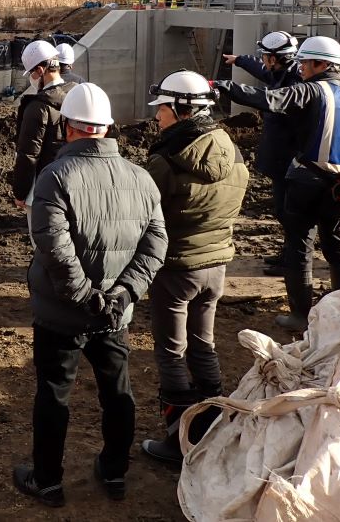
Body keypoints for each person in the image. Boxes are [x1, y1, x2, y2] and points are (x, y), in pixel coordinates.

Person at [13, 82, 167, 508]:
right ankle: (114, 471)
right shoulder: (141, 178)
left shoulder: (55, 176)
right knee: (117, 392)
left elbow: (53, 244)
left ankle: (47, 481)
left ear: (68, 129)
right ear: (107, 128)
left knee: (54, 393)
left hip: (61, 314)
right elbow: (155, 246)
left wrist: (83, 295)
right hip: (115, 315)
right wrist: (124, 293)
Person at [215, 36, 340, 332]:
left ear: (322, 65)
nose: (301, 67)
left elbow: (270, 99)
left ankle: (301, 317)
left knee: (298, 246)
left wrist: (221, 86)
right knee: (338, 247)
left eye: (306, 63)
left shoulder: (311, 91)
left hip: (306, 181)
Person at [140, 71, 249, 465]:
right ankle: (213, 422)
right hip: (216, 264)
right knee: (204, 344)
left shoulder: (166, 160)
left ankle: (178, 440)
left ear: (182, 110)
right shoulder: (231, 151)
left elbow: (145, 214)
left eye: (163, 109)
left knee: (171, 352)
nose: (158, 117)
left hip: (176, 267)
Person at [222, 31, 302, 276]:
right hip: (281, 158)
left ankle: (294, 260)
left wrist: (224, 86)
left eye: (267, 56)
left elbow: (262, 98)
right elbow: (263, 71)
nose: (264, 60)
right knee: (283, 210)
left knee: (291, 213)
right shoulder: (283, 73)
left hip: (291, 159)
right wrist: (239, 60)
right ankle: (289, 253)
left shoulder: (294, 83)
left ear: (277, 58)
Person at [13, 41, 72, 209]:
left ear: (40, 70)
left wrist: (20, 193)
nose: (31, 77)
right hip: (74, 183)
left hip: (43, 189)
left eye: (32, 72)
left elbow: (28, 155)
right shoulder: (75, 94)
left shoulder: (38, 107)